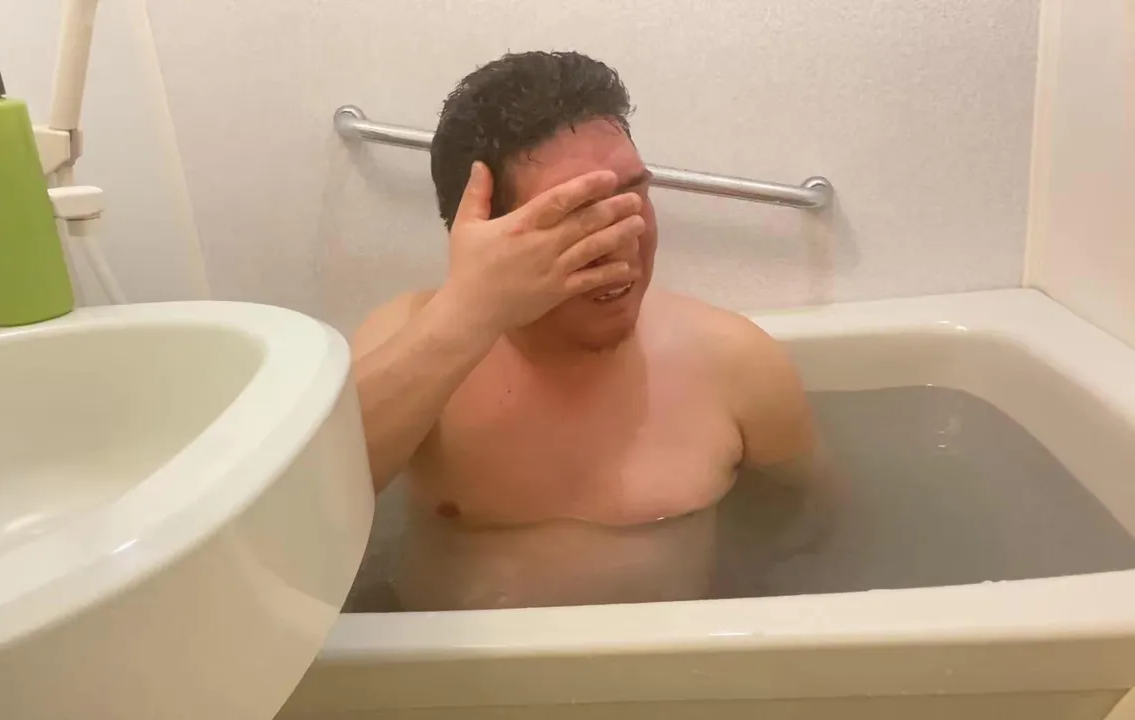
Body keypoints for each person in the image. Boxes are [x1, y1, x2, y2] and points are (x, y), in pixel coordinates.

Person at [352, 51, 838, 610]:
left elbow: (811, 522)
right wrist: (470, 313)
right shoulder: (412, 339)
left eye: (633, 196)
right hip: (441, 665)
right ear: (484, 236)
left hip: (664, 660)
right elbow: (300, 507)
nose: (621, 239)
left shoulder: (735, 362)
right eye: (575, 216)